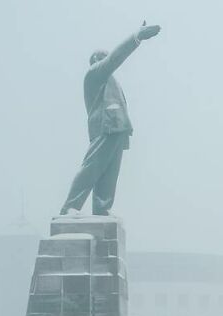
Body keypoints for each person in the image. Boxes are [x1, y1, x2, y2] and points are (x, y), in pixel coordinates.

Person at [60, 22, 162, 216]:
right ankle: (69, 207)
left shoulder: (110, 81)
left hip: (118, 129)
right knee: (93, 166)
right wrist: (136, 37)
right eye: (103, 57)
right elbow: (117, 57)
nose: (108, 59)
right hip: (105, 127)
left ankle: (102, 208)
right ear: (96, 60)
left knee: (109, 172)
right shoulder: (95, 74)